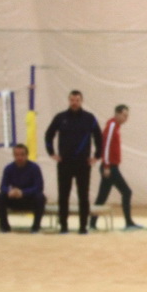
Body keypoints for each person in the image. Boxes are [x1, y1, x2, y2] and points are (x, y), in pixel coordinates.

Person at [44, 90, 103, 234]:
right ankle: (63, 226)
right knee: (63, 195)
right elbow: (48, 135)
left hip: (83, 163)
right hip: (65, 163)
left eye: (77, 100)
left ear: (81, 101)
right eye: (72, 100)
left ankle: (83, 227)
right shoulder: (60, 117)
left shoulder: (89, 118)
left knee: (83, 196)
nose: (74, 103)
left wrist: (96, 156)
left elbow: (99, 137)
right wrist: (52, 153)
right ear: (68, 100)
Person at [90, 104, 142, 231]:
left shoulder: (115, 126)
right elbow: (106, 146)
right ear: (117, 114)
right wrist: (107, 165)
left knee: (102, 196)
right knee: (126, 192)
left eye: (127, 116)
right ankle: (128, 222)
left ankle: (92, 223)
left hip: (111, 166)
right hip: (110, 167)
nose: (126, 118)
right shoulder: (112, 125)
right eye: (124, 115)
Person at [0, 144, 46, 233]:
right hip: (14, 198)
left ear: (27, 155)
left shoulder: (34, 168)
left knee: (40, 198)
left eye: (22, 154)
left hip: (29, 199)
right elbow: (3, 186)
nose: (19, 157)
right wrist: (9, 191)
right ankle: (5, 228)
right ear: (13, 156)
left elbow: (39, 187)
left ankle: (35, 228)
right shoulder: (9, 168)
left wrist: (23, 192)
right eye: (17, 155)